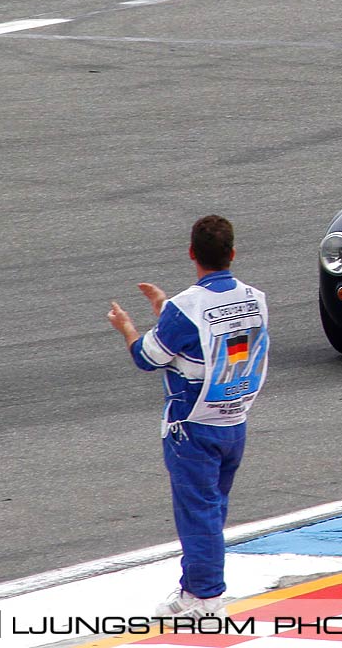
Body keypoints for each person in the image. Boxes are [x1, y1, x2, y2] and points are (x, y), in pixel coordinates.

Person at [107, 216, 269, 617]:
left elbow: (148, 357)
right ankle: (195, 589)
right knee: (212, 510)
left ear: (191, 254)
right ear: (232, 253)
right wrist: (165, 310)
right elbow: (218, 345)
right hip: (234, 419)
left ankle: (205, 599)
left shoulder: (186, 307)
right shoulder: (255, 298)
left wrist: (128, 327)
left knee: (199, 513)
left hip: (192, 428)